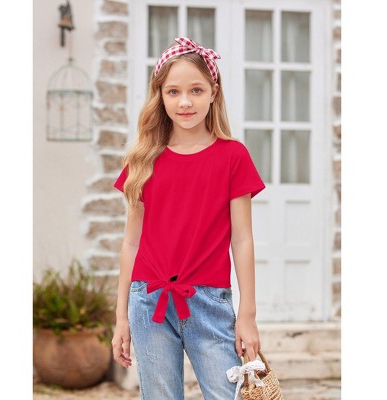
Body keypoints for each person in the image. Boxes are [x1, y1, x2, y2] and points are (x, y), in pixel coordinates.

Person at [111, 37, 266, 400]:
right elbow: (131, 242)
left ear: (213, 93)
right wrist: (121, 317)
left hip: (210, 303)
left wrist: (247, 314)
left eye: (196, 90)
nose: (185, 102)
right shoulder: (143, 160)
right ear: (160, 96)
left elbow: (242, 239)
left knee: (224, 394)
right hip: (148, 300)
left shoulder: (233, 156)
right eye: (173, 91)